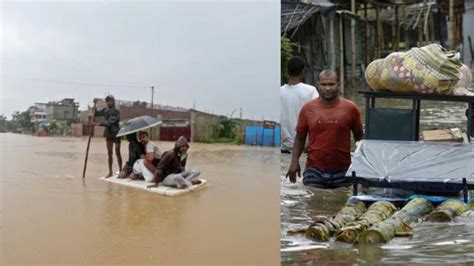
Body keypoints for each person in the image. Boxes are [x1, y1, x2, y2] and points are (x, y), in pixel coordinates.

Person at [286, 69, 363, 188]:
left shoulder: (350, 108)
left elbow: (360, 138)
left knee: (339, 205)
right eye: (324, 84)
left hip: (343, 171)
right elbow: (300, 138)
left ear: (338, 84)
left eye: (331, 84)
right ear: (318, 85)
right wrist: (294, 162)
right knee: (313, 204)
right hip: (314, 170)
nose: (327, 88)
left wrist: (362, 165)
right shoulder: (308, 108)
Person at [281, 56, 319, 153]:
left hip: (284, 148)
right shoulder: (310, 91)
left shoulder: (279, 92)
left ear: (287, 72)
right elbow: (318, 118)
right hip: (305, 148)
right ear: (302, 73)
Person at [92, 95, 122, 178]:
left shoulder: (116, 111)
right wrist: (94, 104)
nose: (108, 103)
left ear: (113, 101)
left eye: (110, 101)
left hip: (116, 132)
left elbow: (110, 122)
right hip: (108, 133)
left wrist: (97, 124)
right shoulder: (105, 110)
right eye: (107, 101)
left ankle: (121, 170)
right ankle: (110, 172)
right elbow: (96, 113)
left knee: (117, 151)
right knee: (109, 152)